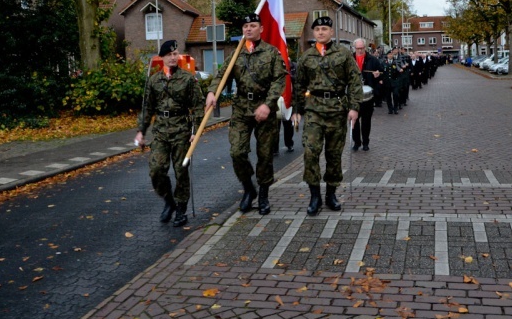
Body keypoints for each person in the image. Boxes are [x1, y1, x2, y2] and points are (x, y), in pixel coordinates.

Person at [205, 13, 287, 216]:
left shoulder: (271, 53)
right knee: (237, 152)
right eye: (245, 26)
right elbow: (221, 75)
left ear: (261, 29)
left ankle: (264, 195)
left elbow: (279, 81)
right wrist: (211, 92)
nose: (248, 29)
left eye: (252, 25)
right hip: (241, 108)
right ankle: (249, 188)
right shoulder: (236, 54)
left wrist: (268, 105)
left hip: (264, 110)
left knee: (265, 155)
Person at [292, 17, 362, 216]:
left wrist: (354, 107)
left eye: (324, 29)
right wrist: (297, 109)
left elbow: (355, 80)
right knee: (310, 153)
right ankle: (315, 196)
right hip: (314, 110)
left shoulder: (344, 54)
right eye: (317, 30)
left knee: (333, 155)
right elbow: (299, 85)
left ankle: (331, 194)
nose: (321, 32)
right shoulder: (307, 57)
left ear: (331, 32)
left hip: (337, 110)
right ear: (313, 33)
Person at [135, 40, 205, 227]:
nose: (173, 57)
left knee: (181, 171)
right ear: (162, 58)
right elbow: (147, 108)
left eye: (176, 54)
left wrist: (196, 131)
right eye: (169, 54)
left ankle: (181, 209)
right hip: (160, 131)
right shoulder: (154, 80)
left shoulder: (188, 79)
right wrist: (141, 131)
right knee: (156, 170)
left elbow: (198, 107)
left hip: (181, 130)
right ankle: (169, 201)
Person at [351, 38, 382, 151]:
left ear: (365, 47)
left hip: (368, 96)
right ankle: (356, 142)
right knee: (354, 120)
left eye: (362, 48)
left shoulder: (372, 59)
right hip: (354, 96)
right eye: (358, 48)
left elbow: (381, 71)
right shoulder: (350, 59)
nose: (360, 50)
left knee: (366, 121)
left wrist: (377, 74)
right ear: (355, 48)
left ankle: (365, 142)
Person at [382, 49, 402, 114]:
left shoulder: (396, 62)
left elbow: (399, 73)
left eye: (391, 54)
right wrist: (381, 80)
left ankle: (395, 108)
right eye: (389, 54)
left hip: (394, 82)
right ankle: (390, 109)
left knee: (396, 95)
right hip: (387, 82)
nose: (390, 55)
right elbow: (381, 72)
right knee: (388, 96)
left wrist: (397, 80)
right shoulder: (383, 63)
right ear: (387, 55)